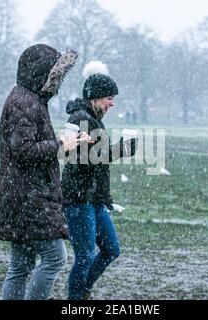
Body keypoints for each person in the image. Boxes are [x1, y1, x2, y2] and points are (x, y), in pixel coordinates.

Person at [0, 44, 87, 300]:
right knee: (55, 258)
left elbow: (27, 146)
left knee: (20, 266)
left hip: (20, 194)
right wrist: (60, 145)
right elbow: (23, 151)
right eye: (54, 75)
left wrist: (65, 143)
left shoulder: (26, 99)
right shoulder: (23, 102)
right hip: (30, 197)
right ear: (41, 73)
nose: (56, 83)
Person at [61, 61, 137, 300]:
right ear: (95, 97)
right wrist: (121, 149)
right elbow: (77, 156)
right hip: (79, 199)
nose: (112, 103)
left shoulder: (92, 118)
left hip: (94, 199)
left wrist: (121, 149)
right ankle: (75, 301)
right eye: (109, 98)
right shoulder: (80, 118)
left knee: (111, 249)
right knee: (84, 256)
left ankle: (83, 290)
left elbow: (97, 156)